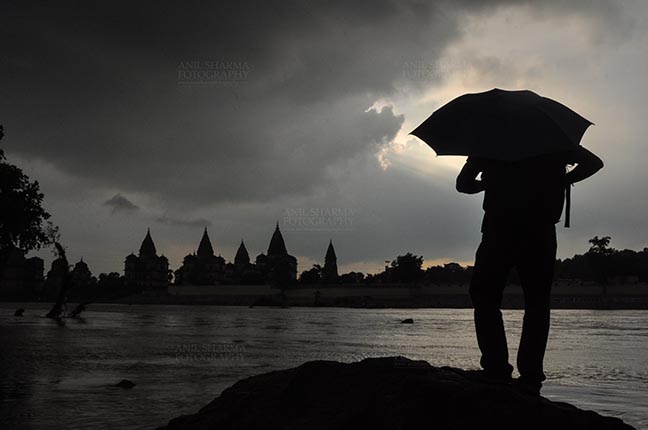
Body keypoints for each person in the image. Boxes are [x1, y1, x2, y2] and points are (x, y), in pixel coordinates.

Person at [456, 145, 603, 395]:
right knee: (537, 303)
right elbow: (594, 163)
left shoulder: (492, 140)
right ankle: (531, 375)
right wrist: (564, 179)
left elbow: (463, 184)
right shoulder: (553, 140)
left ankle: (495, 368)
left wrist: (487, 183)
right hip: (539, 231)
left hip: (499, 229)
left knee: (485, 296)